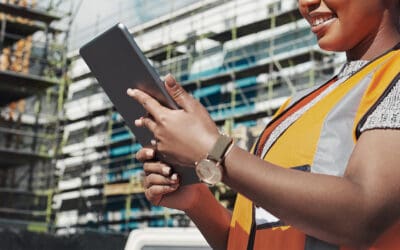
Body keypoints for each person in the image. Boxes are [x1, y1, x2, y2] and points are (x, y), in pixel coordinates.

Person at [127, 0, 400, 249]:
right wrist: (197, 200)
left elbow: (364, 215)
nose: (306, 3)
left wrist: (213, 151)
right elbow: (257, 239)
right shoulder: (299, 106)